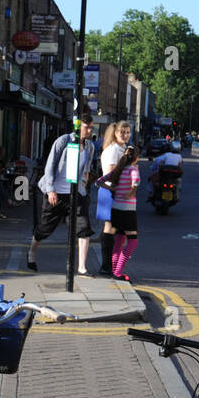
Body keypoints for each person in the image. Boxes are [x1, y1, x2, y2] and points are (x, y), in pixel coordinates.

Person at [26, 108, 96, 274]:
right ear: (78, 127)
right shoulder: (63, 141)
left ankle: (82, 267)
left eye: (92, 127)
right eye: (87, 127)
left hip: (76, 193)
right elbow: (49, 166)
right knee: (44, 229)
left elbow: (86, 168)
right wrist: (50, 190)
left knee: (83, 228)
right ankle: (31, 252)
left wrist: (84, 184)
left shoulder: (90, 147)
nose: (90, 130)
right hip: (56, 193)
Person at [98, 127, 140, 281]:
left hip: (115, 209)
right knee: (133, 242)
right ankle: (117, 271)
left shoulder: (118, 170)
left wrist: (113, 188)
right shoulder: (133, 169)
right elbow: (135, 182)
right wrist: (130, 192)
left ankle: (114, 269)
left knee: (120, 239)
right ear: (135, 158)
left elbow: (99, 181)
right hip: (128, 211)